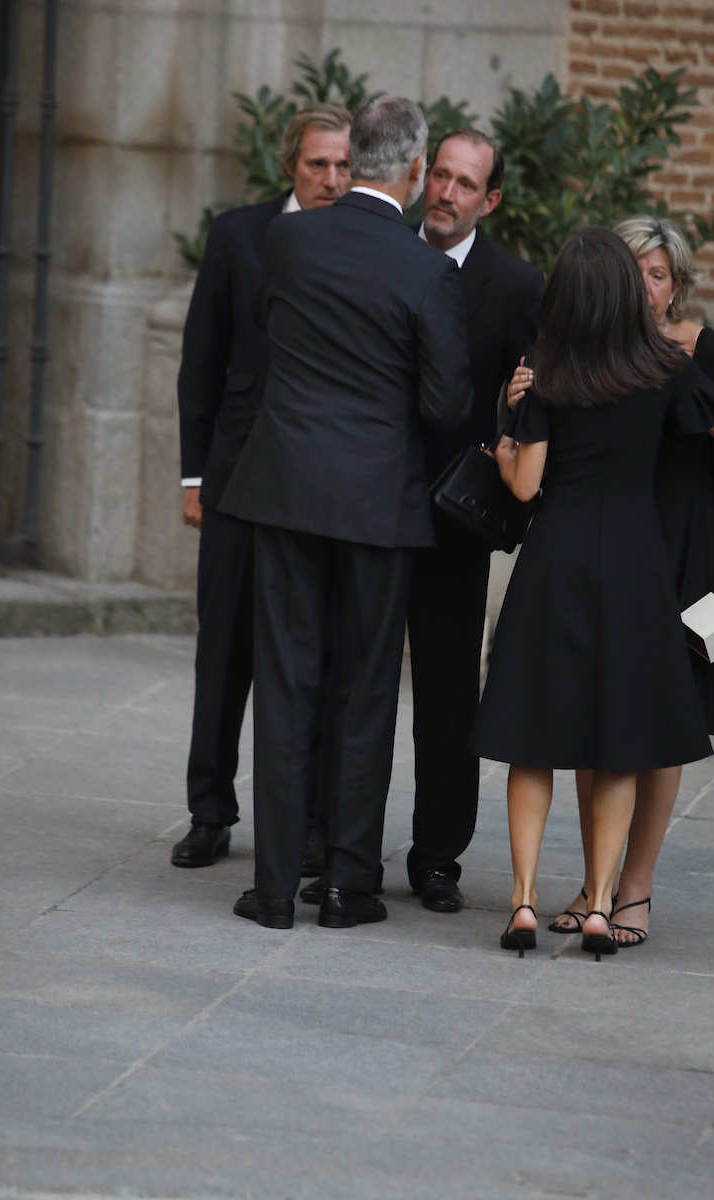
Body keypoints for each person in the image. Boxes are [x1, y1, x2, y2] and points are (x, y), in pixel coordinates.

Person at [472, 226, 714, 960]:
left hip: (557, 561)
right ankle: (603, 904)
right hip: (639, 563)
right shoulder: (667, 368)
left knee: (536, 740)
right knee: (624, 743)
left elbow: (528, 486)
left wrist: (506, 449)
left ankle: (525, 902)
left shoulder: (547, 371)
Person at [219, 96, 474, 930]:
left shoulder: (287, 238)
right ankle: (348, 889)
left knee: (286, 682)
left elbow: (270, 324)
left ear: (352, 156)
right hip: (377, 499)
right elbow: (444, 404)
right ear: (411, 170)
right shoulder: (427, 269)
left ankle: (271, 889)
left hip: (286, 488)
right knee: (365, 690)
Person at [171, 104, 351, 870]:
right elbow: (200, 361)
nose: (333, 180)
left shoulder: (364, 245)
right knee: (225, 654)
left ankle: (309, 818)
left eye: (345, 166)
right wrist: (194, 475)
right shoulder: (238, 235)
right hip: (238, 480)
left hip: (323, 489)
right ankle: (209, 811)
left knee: (313, 654)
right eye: (318, 164)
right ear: (291, 165)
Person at [405, 129, 543, 914]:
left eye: (466, 185)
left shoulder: (517, 285)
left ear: (489, 201)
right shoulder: (387, 253)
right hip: (372, 508)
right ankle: (342, 845)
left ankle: (436, 858)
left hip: (455, 522)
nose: (447, 194)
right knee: (353, 686)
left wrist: (512, 427)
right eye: (441, 177)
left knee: (449, 699)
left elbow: (533, 408)